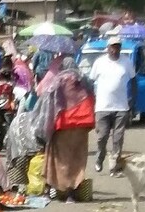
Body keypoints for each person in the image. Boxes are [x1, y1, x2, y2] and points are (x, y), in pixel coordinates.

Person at [36, 58, 95, 202]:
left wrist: (44, 126)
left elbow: (48, 102)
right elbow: (93, 98)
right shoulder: (84, 80)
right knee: (78, 159)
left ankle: (59, 191)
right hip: (82, 125)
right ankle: (72, 191)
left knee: (58, 159)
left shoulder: (59, 80)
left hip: (63, 125)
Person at [88, 36, 137, 176]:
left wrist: (132, 100)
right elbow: (91, 82)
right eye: (112, 47)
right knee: (102, 137)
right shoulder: (99, 62)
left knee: (118, 138)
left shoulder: (127, 62)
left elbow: (133, 81)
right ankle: (99, 158)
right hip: (103, 107)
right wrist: (91, 101)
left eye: (117, 47)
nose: (115, 50)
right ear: (108, 48)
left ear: (120, 48)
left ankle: (114, 167)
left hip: (121, 107)